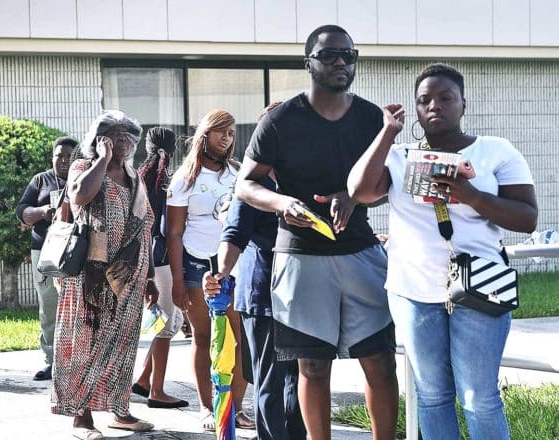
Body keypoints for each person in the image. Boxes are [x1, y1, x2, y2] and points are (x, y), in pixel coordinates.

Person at [348, 63, 538, 440]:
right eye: (424, 100)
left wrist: (471, 196)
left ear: (463, 103)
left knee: (478, 398)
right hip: (414, 291)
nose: (434, 105)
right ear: (416, 110)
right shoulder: (399, 155)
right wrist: (386, 133)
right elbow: (359, 191)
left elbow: (527, 218)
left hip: (480, 289)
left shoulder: (496, 150)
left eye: (445, 97)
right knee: (432, 396)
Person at [235, 24, 398, 440]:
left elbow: (387, 187)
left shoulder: (369, 117)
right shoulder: (281, 120)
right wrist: (282, 203)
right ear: (308, 62)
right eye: (329, 55)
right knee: (311, 364)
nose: (341, 62)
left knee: (380, 361)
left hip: (361, 252)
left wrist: (354, 196)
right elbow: (246, 185)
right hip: (300, 256)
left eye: (348, 54)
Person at [52, 110, 158, 440]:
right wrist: (102, 159)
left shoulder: (136, 177)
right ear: (101, 138)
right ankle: (81, 418)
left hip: (130, 276)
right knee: (84, 342)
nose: (127, 143)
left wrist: (151, 277)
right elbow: (80, 196)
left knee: (123, 344)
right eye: (118, 136)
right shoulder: (83, 167)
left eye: (130, 137)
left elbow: (145, 228)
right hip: (90, 274)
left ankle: (120, 411)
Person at [204, 102, 305, 440]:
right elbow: (233, 235)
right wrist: (221, 275)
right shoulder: (252, 183)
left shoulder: (302, 177)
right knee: (270, 380)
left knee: (303, 376)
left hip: (303, 290)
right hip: (262, 291)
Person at [166, 109, 253, 431]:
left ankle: (236, 407)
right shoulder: (184, 178)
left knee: (238, 337)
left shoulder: (239, 171)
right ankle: (207, 407)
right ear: (205, 135)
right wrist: (176, 281)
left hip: (236, 265)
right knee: (204, 336)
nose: (227, 139)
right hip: (196, 263)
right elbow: (173, 232)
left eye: (231, 133)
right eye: (221, 132)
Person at [131, 127, 188, 408]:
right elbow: (165, 227)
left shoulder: (140, 177)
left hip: (147, 256)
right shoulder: (166, 181)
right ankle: (157, 392)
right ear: (173, 149)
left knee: (170, 320)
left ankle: (144, 378)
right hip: (161, 257)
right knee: (166, 324)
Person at [16, 136, 78, 381]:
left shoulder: (84, 178)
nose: (63, 161)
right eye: (58, 155)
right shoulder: (40, 180)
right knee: (49, 305)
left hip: (75, 252)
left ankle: (75, 361)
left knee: (76, 307)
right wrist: (43, 212)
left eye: (68, 156)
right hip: (45, 251)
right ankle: (51, 361)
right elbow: (22, 211)